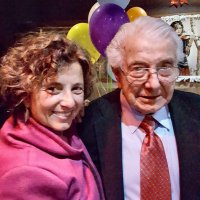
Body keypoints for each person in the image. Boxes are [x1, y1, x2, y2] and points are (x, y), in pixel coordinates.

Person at [78, 16, 200, 200]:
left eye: (165, 67)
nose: (153, 84)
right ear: (118, 75)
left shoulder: (196, 111)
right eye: (139, 68)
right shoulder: (87, 123)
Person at [0, 31, 105, 200]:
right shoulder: (24, 174)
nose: (69, 102)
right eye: (53, 89)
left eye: (76, 88)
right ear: (25, 95)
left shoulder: (56, 127)